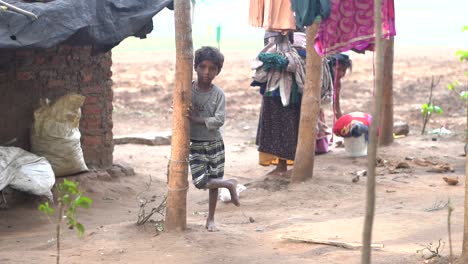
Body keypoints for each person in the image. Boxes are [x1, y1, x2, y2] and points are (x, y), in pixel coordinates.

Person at [188, 46, 240, 232]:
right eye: (202, 67)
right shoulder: (188, 90)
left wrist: (197, 119)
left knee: (213, 183)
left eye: (212, 68)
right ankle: (229, 184)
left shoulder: (218, 94)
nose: (206, 72)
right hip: (195, 144)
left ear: (218, 71)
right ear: (195, 67)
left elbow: (219, 120)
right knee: (201, 181)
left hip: (215, 143)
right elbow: (177, 108)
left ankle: (211, 219)